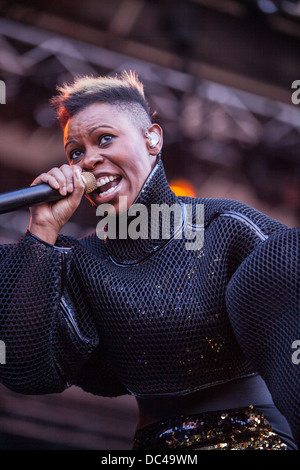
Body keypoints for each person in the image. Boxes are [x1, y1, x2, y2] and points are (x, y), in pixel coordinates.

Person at [0, 71, 299, 451]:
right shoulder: (83, 262)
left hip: (253, 439)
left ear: (152, 139)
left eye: (104, 139)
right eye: (76, 152)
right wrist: (42, 230)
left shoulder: (224, 226)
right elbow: (25, 368)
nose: (88, 159)